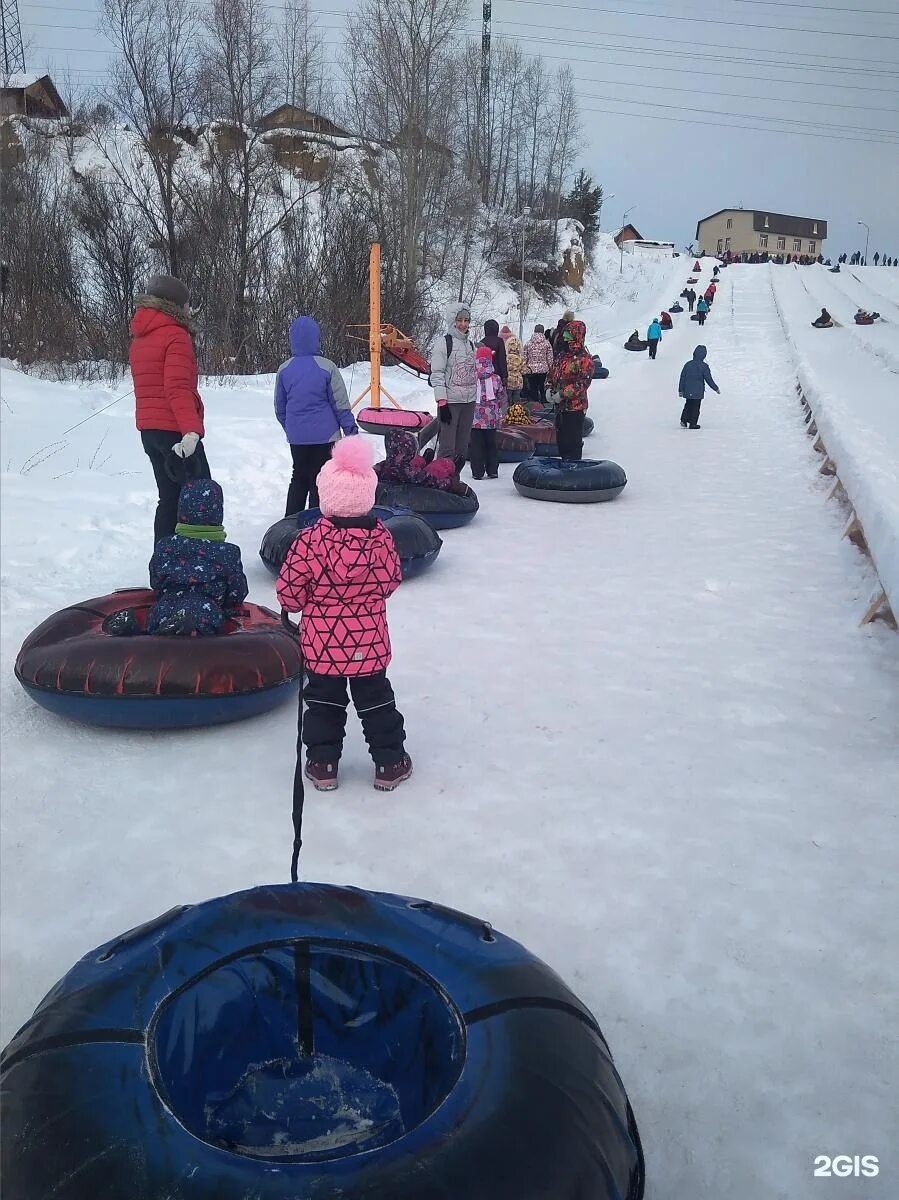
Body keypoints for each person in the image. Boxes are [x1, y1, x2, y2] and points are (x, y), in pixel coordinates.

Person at [277, 437, 412, 793]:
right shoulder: (381, 538)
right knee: (377, 701)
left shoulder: (308, 541)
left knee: (322, 704)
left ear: (326, 496)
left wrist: (307, 600)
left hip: (322, 644)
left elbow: (289, 592)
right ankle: (390, 762)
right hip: (368, 641)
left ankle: (323, 764)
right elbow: (389, 580)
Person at [108, 478, 248, 636]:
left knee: (155, 625)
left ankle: (133, 631)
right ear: (218, 513)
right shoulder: (227, 552)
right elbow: (237, 591)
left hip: (164, 606)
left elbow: (155, 581)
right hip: (205, 609)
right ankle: (185, 626)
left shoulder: (165, 545)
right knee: (203, 624)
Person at [130, 274, 211, 546]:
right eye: (187, 305)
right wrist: (190, 431)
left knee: (168, 498)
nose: (189, 310)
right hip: (175, 431)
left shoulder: (141, 336)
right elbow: (176, 387)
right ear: (175, 305)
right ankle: (201, 566)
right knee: (201, 496)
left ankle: (164, 568)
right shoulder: (175, 335)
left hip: (149, 432)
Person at [275, 315, 357, 517]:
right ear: (316, 338)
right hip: (326, 436)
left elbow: (280, 407)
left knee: (299, 477)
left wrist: (292, 428)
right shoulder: (327, 367)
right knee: (320, 480)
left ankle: (290, 523)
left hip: (297, 438)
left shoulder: (284, 370)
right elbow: (340, 404)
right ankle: (316, 524)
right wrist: (350, 431)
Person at [429, 302, 477, 463]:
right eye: (460, 320)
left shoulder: (471, 345)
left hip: (468, 402)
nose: (463, 324)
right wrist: (442, 401)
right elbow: (436, 373)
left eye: (466, 320)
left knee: (462, 449)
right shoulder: (444, 343)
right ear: (453, 321)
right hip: (450, 402)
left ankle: (454, 478)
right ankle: (441, 480)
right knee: (447, 448)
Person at [549, 319, 593, 460]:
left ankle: (574, 471)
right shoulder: (562, 355)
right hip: (560, 408)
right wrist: (549, 388)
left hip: (575, 408)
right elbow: (552, 373)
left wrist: (562, 394)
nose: (566, 337)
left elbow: (582, 383)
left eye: (569, 333)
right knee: (562, 442)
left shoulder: (584, 359)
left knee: (572, 443)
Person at [376, 430, 463, 492]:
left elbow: (372, 472)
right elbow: (430, 480)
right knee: (437, 468)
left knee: (415, 461)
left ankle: (423, 460)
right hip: (412, 485)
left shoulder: (384, 465)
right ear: (410, 451)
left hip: (403, 467)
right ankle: (453, 469)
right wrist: (450, 484)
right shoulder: (409, 472)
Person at [470, 345, 502, 480]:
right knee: (491, 444)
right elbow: (500, 396)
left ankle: (477, 472)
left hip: (475, 418)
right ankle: (492, 470)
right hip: (491, 418)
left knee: (476, 445)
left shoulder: (472, 376)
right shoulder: (496, 378)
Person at [678, 346, 720, 430]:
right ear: (704, 355)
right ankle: (693, 423)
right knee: (696, 407)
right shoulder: (704, 366)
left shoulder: (688, 364)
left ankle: (684, 419)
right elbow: (708, 379)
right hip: (698, 391)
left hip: (688, 389)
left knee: (688, 404)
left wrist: (681, 390)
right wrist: (715, 388)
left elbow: (682, 377)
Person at [524, 323, 553, 406]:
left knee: (533, 388)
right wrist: (551, 368)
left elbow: (524, 357)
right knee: (542, 387)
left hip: (531, 370)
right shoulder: (547, 344)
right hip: (543, 370)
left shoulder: (528, 343)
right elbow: (550, 358)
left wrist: (525, 367)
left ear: (534, 331)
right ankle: (543, 402)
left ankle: (535, 405)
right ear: (543, 332)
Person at [499, 325, 526, 407]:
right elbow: (524, 371)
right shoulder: (521, 358)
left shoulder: (506, 358)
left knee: (508, 399)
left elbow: (504, 368)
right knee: (517, 399)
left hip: (509, 382)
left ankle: (508, 414)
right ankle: (517, 413)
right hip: (518, 382)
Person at [480, 319, 508, 388]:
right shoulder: (499, 341)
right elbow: (502, 359)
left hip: (484, 374)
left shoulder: (482, 342)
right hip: (497, 373)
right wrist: (505, 376)